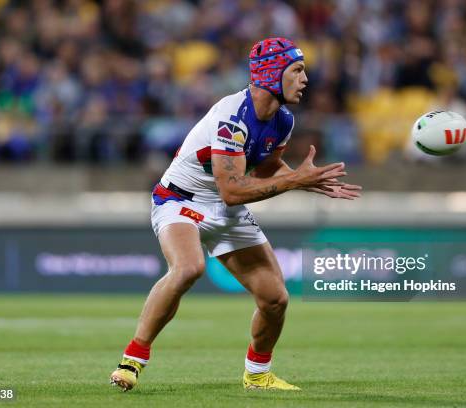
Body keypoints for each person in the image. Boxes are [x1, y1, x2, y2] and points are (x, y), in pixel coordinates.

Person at [110, 37, 362, 392]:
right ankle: (132, 359)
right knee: (188, 267)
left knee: (275, 298)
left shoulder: (282, 120)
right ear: (273, 73)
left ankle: (257, 375)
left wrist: (307, 181)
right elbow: (232, 191)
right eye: (298, 70)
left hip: (224, 204)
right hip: (182, 200)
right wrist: (294, 180)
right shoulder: (232, 117)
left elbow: (266, 170)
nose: (305, 79)